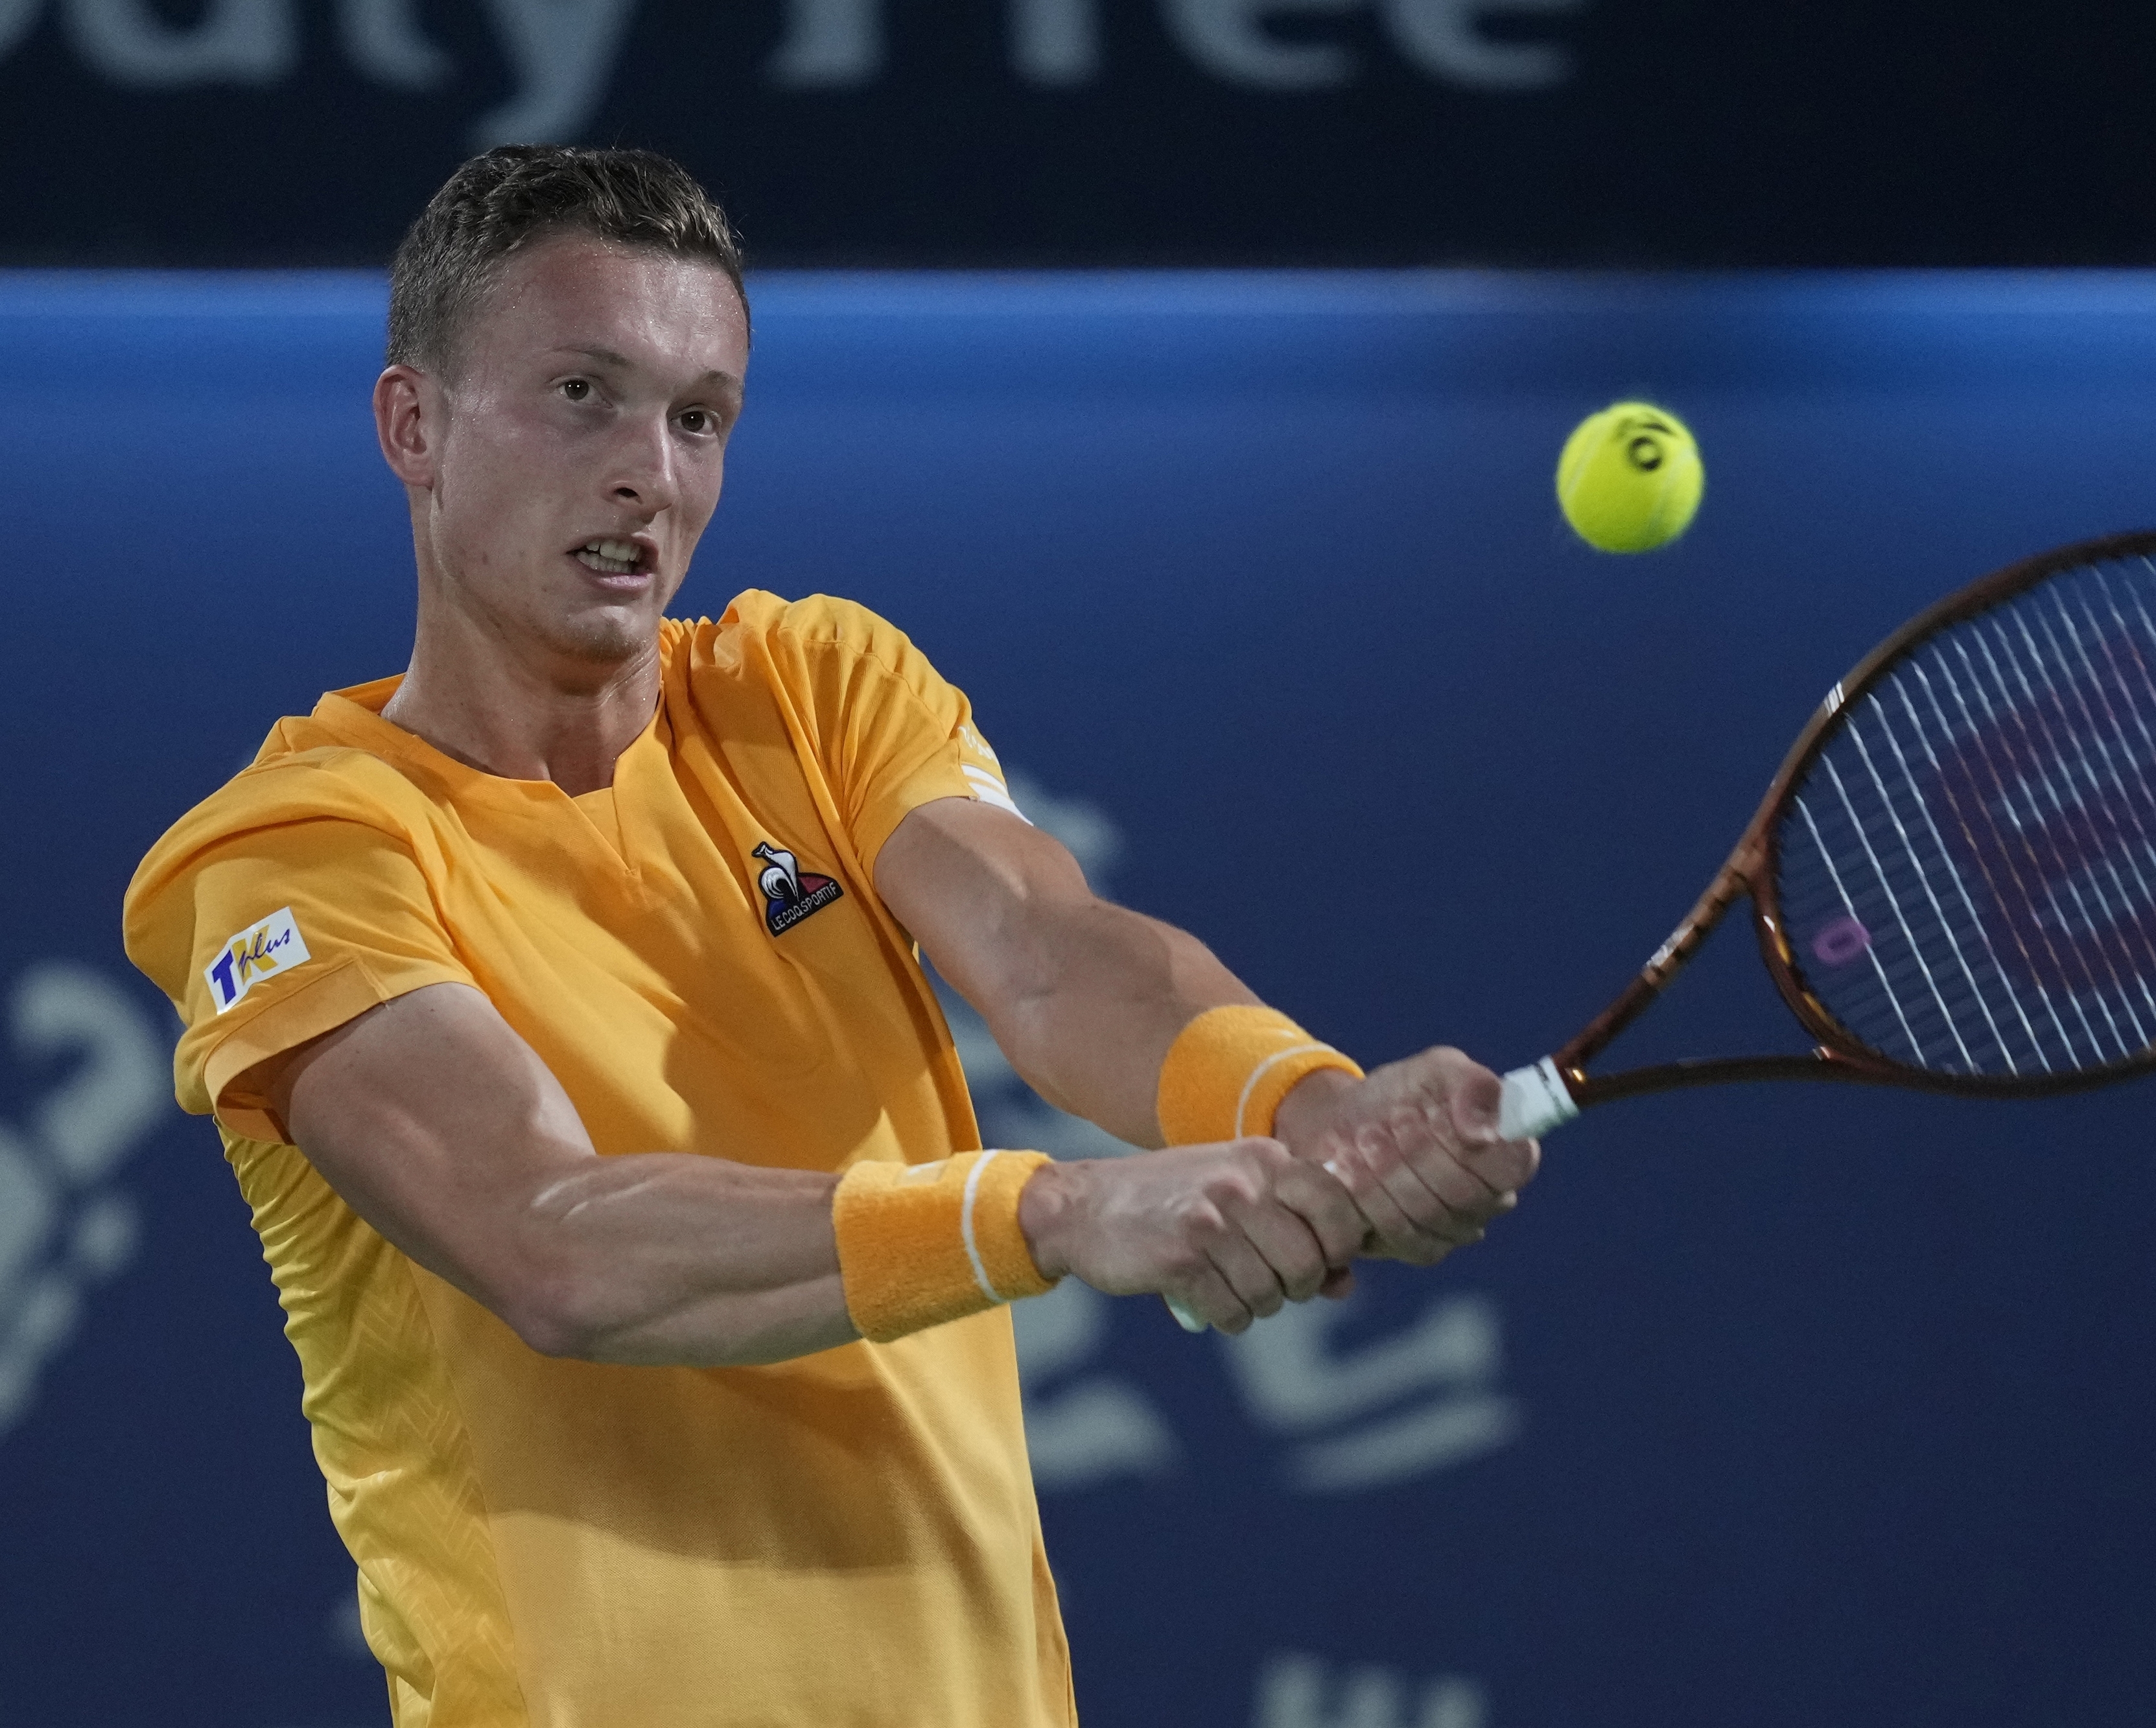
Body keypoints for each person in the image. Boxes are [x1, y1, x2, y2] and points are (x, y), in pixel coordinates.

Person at [121, 146, 1538, 1728]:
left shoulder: (810, 684)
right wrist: (1049, 1214)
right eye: (582, 392)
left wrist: (1299, 1104)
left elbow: (1051, 947)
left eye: (697, 414)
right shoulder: (289, 853)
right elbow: (557, 1241)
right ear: (414, 429)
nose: (648, 470)